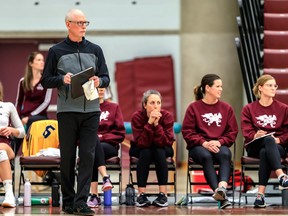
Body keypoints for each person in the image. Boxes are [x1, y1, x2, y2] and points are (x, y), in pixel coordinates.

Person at [41, 9, 110, 215]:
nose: (83, 26)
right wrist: (62, 79)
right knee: (68, 157)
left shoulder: (96, 50)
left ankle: (81, 201)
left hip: (91, 110)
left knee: (88, 156)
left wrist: (100, 81)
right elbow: (45, 80)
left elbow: (106, 76)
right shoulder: (56, 51)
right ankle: (69, 201)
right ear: (68, 24)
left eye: (85, 23)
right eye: (79, 22)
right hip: (67, 111)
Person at [182, 74, 238, 209]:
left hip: (219, 144)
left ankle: (222, 189)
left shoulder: (226, 108)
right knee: (206, 156)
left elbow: (232, 132)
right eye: (217, 86)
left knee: (225, 154)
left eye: (221, 86)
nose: (221, 89)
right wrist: (204, 143)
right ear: (207, 88)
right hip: (199, 146)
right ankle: (219, 193)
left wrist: (219, 142)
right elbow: (188, 132)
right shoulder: (194, 108)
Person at [241, 74, 288, 208]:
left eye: (275, 86)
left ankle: (260, 196)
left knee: (266, 150)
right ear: (260, 88)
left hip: (277, 147)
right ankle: (281, 176)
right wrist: (255, 135)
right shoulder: (249, 109)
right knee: (266, 141)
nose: (273, 88)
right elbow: (246, 131)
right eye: (269, 85)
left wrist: (279, 139)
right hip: (254, 146)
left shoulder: (283, 108)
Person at [129, 89, 175, 207]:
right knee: (146, 151)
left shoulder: (167, 116)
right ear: (144, 105)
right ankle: (141, 195)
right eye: (152, 103)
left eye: (158, 103)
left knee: (159, 151)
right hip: (141, 146)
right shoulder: (137, 117)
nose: (156, 106)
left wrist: (156, 125)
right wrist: (149, 124)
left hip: (163, 146)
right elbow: (142, 142)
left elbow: (165, 142)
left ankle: (162, 194)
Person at [87, 87, 125, 208]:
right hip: (91, 146)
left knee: (93, 147)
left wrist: (101, 137)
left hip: (109, 146)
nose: (101, 90)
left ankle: (94, 196)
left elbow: (120, 133)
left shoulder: (114, 107)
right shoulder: (86, 109)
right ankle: (105, 178)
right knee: (92, 149)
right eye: (98, 87)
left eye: (103, 87)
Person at [15, 51, 52, 154]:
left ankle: (34, 156)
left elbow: (46, 102)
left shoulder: (46, 81)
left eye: (42, 60)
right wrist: (17, 119)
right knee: (16, 128)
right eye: (39, 60)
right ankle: (10, 160)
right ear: (31, 63)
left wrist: (30, 117)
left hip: (39, 117)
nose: (42, 62)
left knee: (30, 123)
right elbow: (18, 102)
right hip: (24, 118)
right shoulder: (23, 81)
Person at [0, 81, 26, 207]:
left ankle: (9, 195)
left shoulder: (8, 106)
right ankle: (8, 193)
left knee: (1, 151)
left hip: (4, 142)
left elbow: (22, 132)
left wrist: (11, 130)